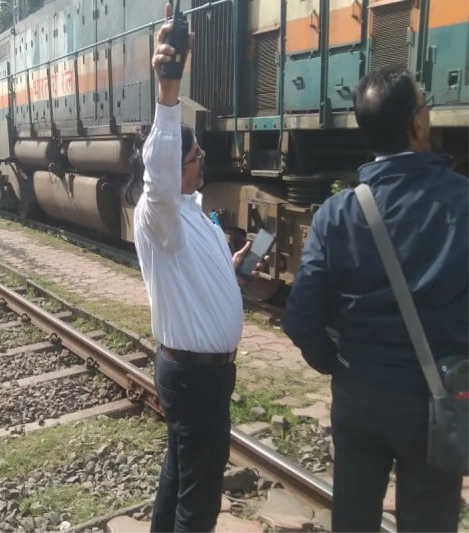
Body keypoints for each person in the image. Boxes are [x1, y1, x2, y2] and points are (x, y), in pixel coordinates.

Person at [283, 65, 467, 532]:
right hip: (438, 399)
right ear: (418, 123)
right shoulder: (463, 203)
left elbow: (301, 317)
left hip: (359, 397)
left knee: (354, 519)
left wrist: (339, 364)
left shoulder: (337, 213)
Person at [134, 6, 266, 531]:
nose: (202, 163)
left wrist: (232, 270)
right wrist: (168, 94)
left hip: (205, 374)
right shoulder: (161, 211)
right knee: (201, 496)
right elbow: (162, 170)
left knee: (180, 473)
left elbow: (199, 273)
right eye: (196, 159)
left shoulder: (192, 214)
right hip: (193, 375)